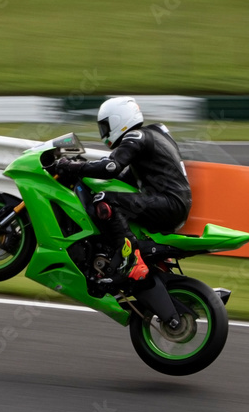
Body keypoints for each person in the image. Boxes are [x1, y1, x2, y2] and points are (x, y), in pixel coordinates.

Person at [55, 96, 192, 280]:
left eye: (105, 126)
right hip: (174, 203)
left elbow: (111, 167)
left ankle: (130, 257)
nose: (104, 132)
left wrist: (75, 166)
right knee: (116, 198)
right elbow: (124, 179)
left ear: (118, 120)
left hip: (168, 202)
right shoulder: (155, 134)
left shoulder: (135, 135)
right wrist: (86, 172)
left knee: (104, 199)